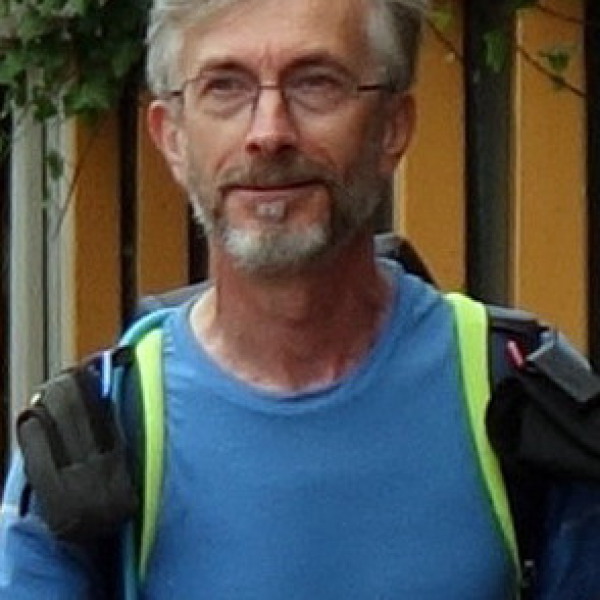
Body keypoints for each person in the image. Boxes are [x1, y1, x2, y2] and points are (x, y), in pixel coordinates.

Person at [2, 0, 600, 598]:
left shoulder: (524, 402)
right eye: (225, 86)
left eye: (317, 83)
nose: (269, 133)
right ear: (172, 138)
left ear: (393, 127)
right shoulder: (90, 440)